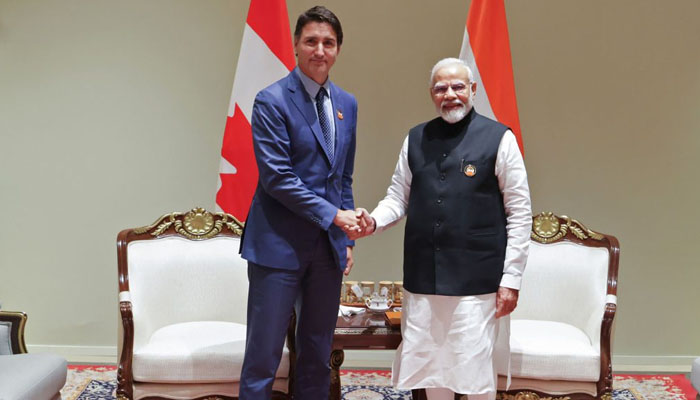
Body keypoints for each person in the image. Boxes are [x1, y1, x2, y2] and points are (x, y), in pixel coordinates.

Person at [350, 58, 532, 400]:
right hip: (424, 281)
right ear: (432, 94)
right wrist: (373, 221)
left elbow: (520, 214)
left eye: (458, 86)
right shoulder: (416, 138)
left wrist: (511, 279)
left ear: (473, 90)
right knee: (432, 372)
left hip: (476, 284)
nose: (450, 94)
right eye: (440, 88)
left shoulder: (499, 138)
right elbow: (397, 198)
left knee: (473, 374)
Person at [238, 6, 359, 400]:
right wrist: (334, 216)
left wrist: (348, 239)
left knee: (317, 355)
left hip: (327, 250)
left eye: (328, 42)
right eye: (311, 41)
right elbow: (277, 179)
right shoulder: (271, 100)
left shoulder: (347, 103)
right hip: (277, 246)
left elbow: (342, 177)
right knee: (263, 358)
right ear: (295, 46)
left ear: (338, 49)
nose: (319, 50)